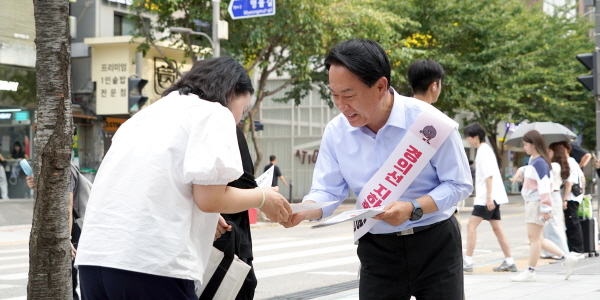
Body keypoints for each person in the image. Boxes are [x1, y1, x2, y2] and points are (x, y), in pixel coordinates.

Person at [74, 57, 292, 300]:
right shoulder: (214, 113)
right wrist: (263, 197)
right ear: (231, 92)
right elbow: (209, 198)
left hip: (95, 262)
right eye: (241, 111)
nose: (238, 120)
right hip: (152, 265)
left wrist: (205, 216)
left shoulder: (145, 116)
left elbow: (149, 183)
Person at [282, 39, 473, 299]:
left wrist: (413, 208)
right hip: (377, 250)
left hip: (435, 244)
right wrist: (301, 211)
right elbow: (327, 190)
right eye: (334, 95)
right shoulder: (336, 132)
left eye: (349, 95)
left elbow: (459, 184)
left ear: (381, 86)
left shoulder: (429, 123)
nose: (341, 105)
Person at [510, 130, 578, 282]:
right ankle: (566, 258)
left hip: (536, 203)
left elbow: (544, 186)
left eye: (526, 144)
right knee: (537, 238)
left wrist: (546, 208)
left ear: (533, 145)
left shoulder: (540, 162)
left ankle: (530, 271)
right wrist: (521, 171)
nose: (524, 147)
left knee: (534, 239)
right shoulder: (535, 161)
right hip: (534, 203)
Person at [26, 125, 82, 300]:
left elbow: (67, 206)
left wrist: (67, 239)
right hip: (56, 233)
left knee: (67, 286)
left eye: (40, 136)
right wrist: (36, 185)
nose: (36, 140)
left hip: (68, 233)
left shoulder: (64, 168)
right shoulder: (49, 167)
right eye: (36, 136)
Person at [211, 126, 259, 300]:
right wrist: (262, 197)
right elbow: (246, 182)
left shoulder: (146, 123)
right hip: (227, 242)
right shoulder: (223, 124)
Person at [463, 123, 516, 273]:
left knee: (471, 226)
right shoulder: (487, 150)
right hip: (493, 196)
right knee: (497, 229)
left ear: (476, 137)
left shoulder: (483, 152)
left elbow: (489, 176)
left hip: (486, 198)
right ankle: (510, 261)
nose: (468, 140)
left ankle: (468, 261)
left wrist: (488, 198)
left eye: (469, 137)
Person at [541, 142, 570, 257]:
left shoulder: (554, 166)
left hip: (553, 195)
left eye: (549, 151)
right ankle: (551, 251)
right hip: (553, 196)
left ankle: (561, 252)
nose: (547, 153)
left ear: (555, 153)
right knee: (550, 225)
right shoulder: (555, 165)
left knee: (554, 225)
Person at [561, 141, 586, 255]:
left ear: (565, 149)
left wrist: (565, 199)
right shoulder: (574, 161)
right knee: (573, 222)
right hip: (577, 196)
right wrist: (582, 192)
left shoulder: (568, 162)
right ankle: (576, 249)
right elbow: (582, 178)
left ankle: (576, 250)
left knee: (572, 223)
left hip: (571, 197)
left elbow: (568, 183)